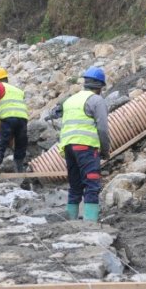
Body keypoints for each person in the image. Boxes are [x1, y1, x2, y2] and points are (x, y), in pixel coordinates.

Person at [56, 67, 110, 221]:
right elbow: (103, 128)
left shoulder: (71, 99)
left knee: (75, 185)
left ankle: (71, 220)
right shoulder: (96, 100)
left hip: (68, 147)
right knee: (92, 184)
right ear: (99, 86)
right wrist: (105, 150)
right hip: (85, 147)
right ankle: (90, 224)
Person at [0, 67, 29, 172]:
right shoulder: (18, 90)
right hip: (22, 119)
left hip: (8, 118)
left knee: (0, 144)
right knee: (20, 144)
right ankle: (20, 171)